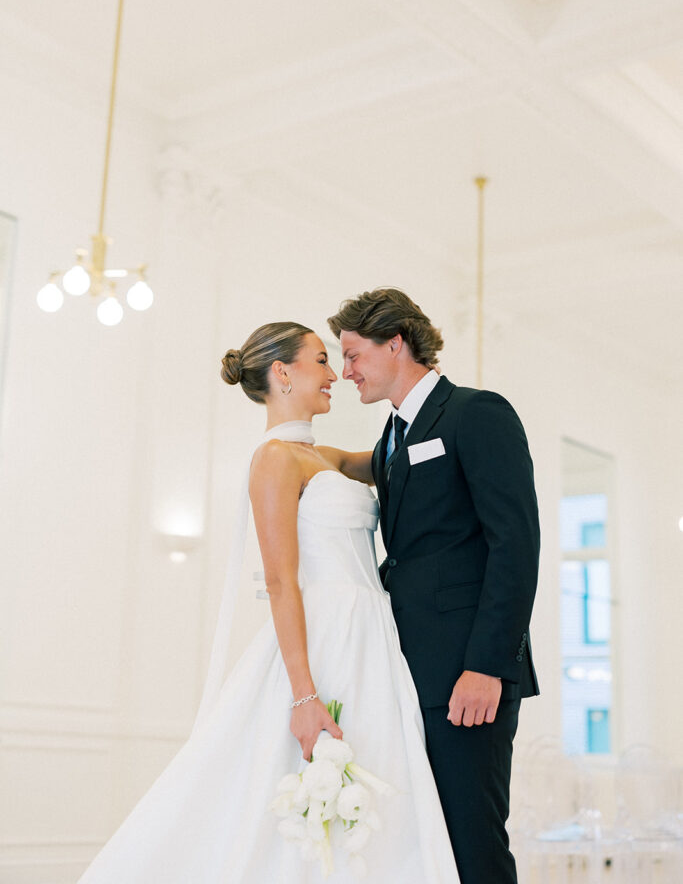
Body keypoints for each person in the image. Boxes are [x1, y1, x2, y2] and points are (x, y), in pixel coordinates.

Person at [77, 321, 458, 883]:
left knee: (383, 791)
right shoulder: (273, 460)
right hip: (323, 639)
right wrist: (304, 694)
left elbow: (395, 455)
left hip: (374, 637)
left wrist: (434, 399)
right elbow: (281, 581)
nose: (335, 374)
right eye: (322, 361)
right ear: (282, 372)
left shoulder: (323, 456)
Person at [328, 288, 540, 884]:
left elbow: (515, 546)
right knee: (426, 844)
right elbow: (372, 470)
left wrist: (488, 666)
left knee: (472, 842)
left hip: (466, 675)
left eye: (352, 355)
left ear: (395, 344)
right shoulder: (393, 436)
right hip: (405, 668)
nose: (346, 373)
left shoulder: (477, 413)